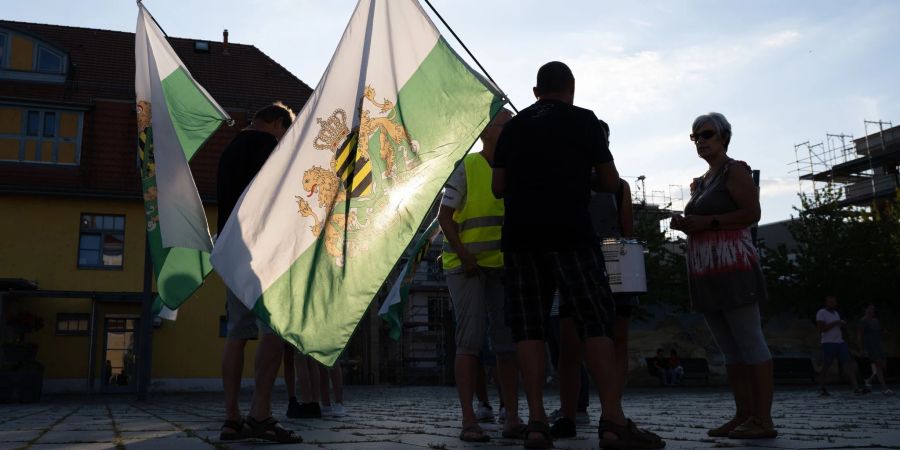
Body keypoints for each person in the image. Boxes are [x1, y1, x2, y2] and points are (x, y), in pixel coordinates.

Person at [492, 61, 663, 449]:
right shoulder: (585, 121)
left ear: (535, 92)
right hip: (572, 235)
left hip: (521, 239)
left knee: (530, 328)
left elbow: (499, 186)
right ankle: (613, 421)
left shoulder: (513, 128)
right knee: (595, 324)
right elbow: (608, 182)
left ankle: (536, 423)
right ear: (571, 87)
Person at [671, 112, 775, 439]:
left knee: (749, 341)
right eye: (695, 137)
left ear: (724, 137)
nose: (700, 141)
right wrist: (686, 223)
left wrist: (707, 222)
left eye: (707, 134)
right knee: (730, 348)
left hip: (733, 265)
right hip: (707, 268)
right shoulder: (702, 181)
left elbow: (751, 214)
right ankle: (744, 414)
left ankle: (763, 419)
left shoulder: (735, 170)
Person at [439, 108, 525, 443]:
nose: (510, 132)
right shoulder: (467, 167)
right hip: (467, 267)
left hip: (501, 266)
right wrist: (465, 256)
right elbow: (445, 218)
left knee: (507, 343)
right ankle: (469, 420)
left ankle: (513, 417)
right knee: (470, 340)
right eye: (505, 126)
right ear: (487, 131)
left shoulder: (513, 171)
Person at [218, 102, 302, 444]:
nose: (285, 139)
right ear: (277, 123)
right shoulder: (268, 148)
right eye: (286, 132)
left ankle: (231, 418)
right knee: (275, 329)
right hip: (263, 251)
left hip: (230, 251)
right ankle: (261, 414)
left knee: (237, 333)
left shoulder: (228, 150)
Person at [815, 295, 866, 396]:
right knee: (827, 365)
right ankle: (821, 386)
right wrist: (836, 322)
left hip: (839, 342)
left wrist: (842, 326)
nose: (833, 304)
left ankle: (855, 387)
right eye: (830, 302)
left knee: (848, 363)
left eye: (834, 302)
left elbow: (838, 327)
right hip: (828, 342)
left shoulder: (836, 313)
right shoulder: (821, 313)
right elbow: (821, 329)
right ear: (826, 302)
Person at [857, 304, 892, 395]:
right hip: (870, 346)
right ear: (865, 310)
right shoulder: (863, 321)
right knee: (878, 365)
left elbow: (878, 332)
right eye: (869, 309)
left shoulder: (876, 321)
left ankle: (869, 380)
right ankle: (885, 388)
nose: (871, 311)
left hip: (879, 345)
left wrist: (884, 333)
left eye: (872, 309)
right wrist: (861, 349)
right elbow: (860, 336)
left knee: (883, 365)